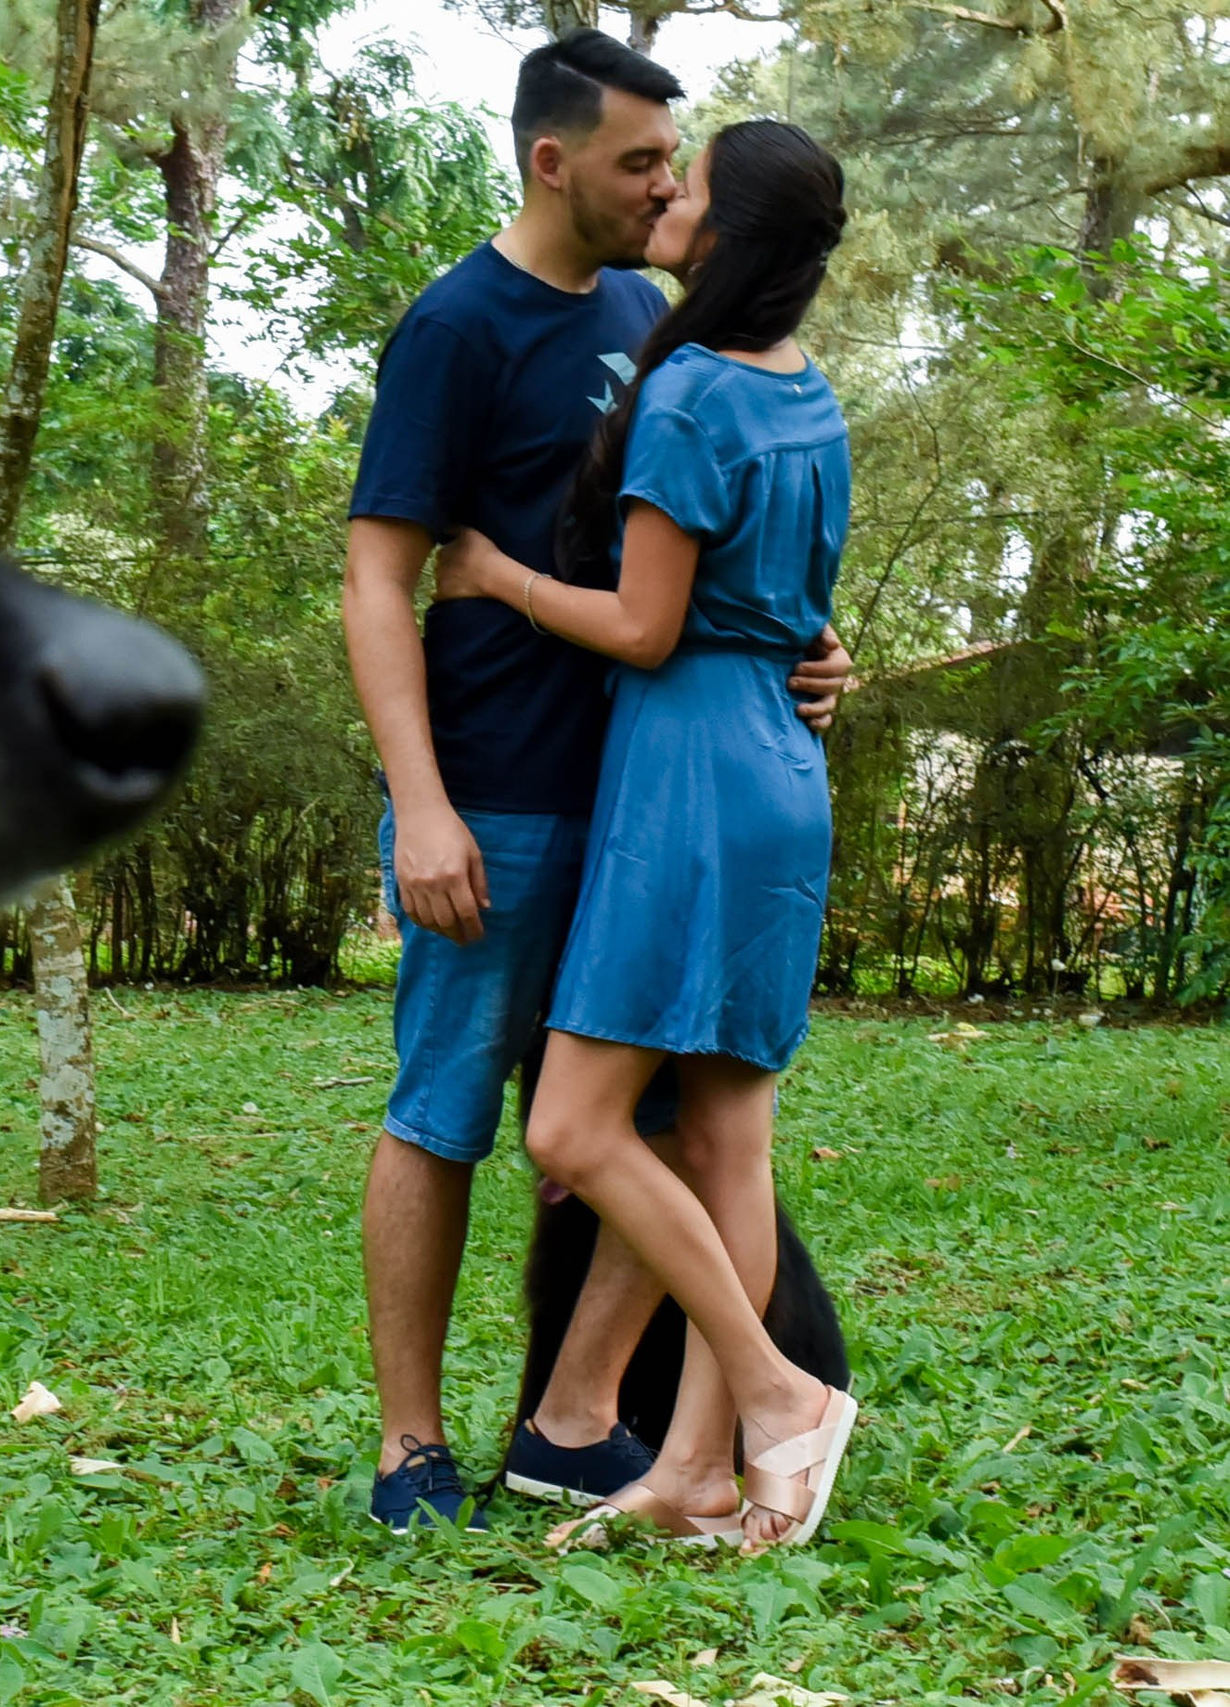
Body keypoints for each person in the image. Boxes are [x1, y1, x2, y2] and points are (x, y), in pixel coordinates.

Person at [339, 29, 855, 1533]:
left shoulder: (661, 319)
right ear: (553, 160)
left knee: (672, 1123)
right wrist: (421, 800)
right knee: (445, 1108)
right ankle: (410, 1447)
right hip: (501, 789)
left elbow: (721, 553)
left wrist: (807, 650)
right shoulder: (457, 327)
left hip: (660, 792)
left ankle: (576, 1417)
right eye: (640, 163)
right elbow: (379, 579)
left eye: (675, 166)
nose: (661, 189)